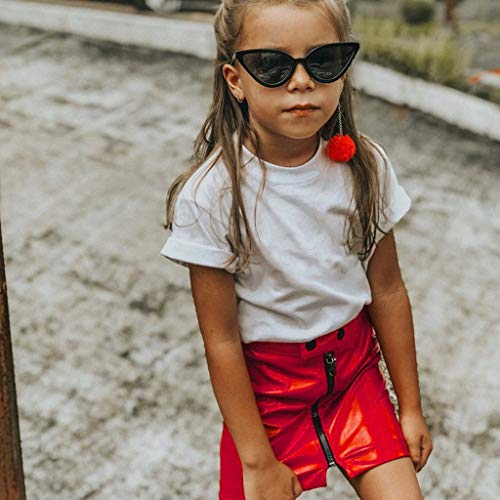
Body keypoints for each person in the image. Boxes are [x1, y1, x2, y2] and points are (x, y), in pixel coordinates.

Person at [160, 1, 433, 498]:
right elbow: (220, 339)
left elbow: (388, 291)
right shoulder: (211, 195)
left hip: (355, 377)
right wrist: (257, 460)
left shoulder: (363, 167)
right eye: (272, 65)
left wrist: (410, 407)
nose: (302, 81)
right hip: (268, 396)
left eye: (323, 60)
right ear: (234, 79)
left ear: (344, 73)